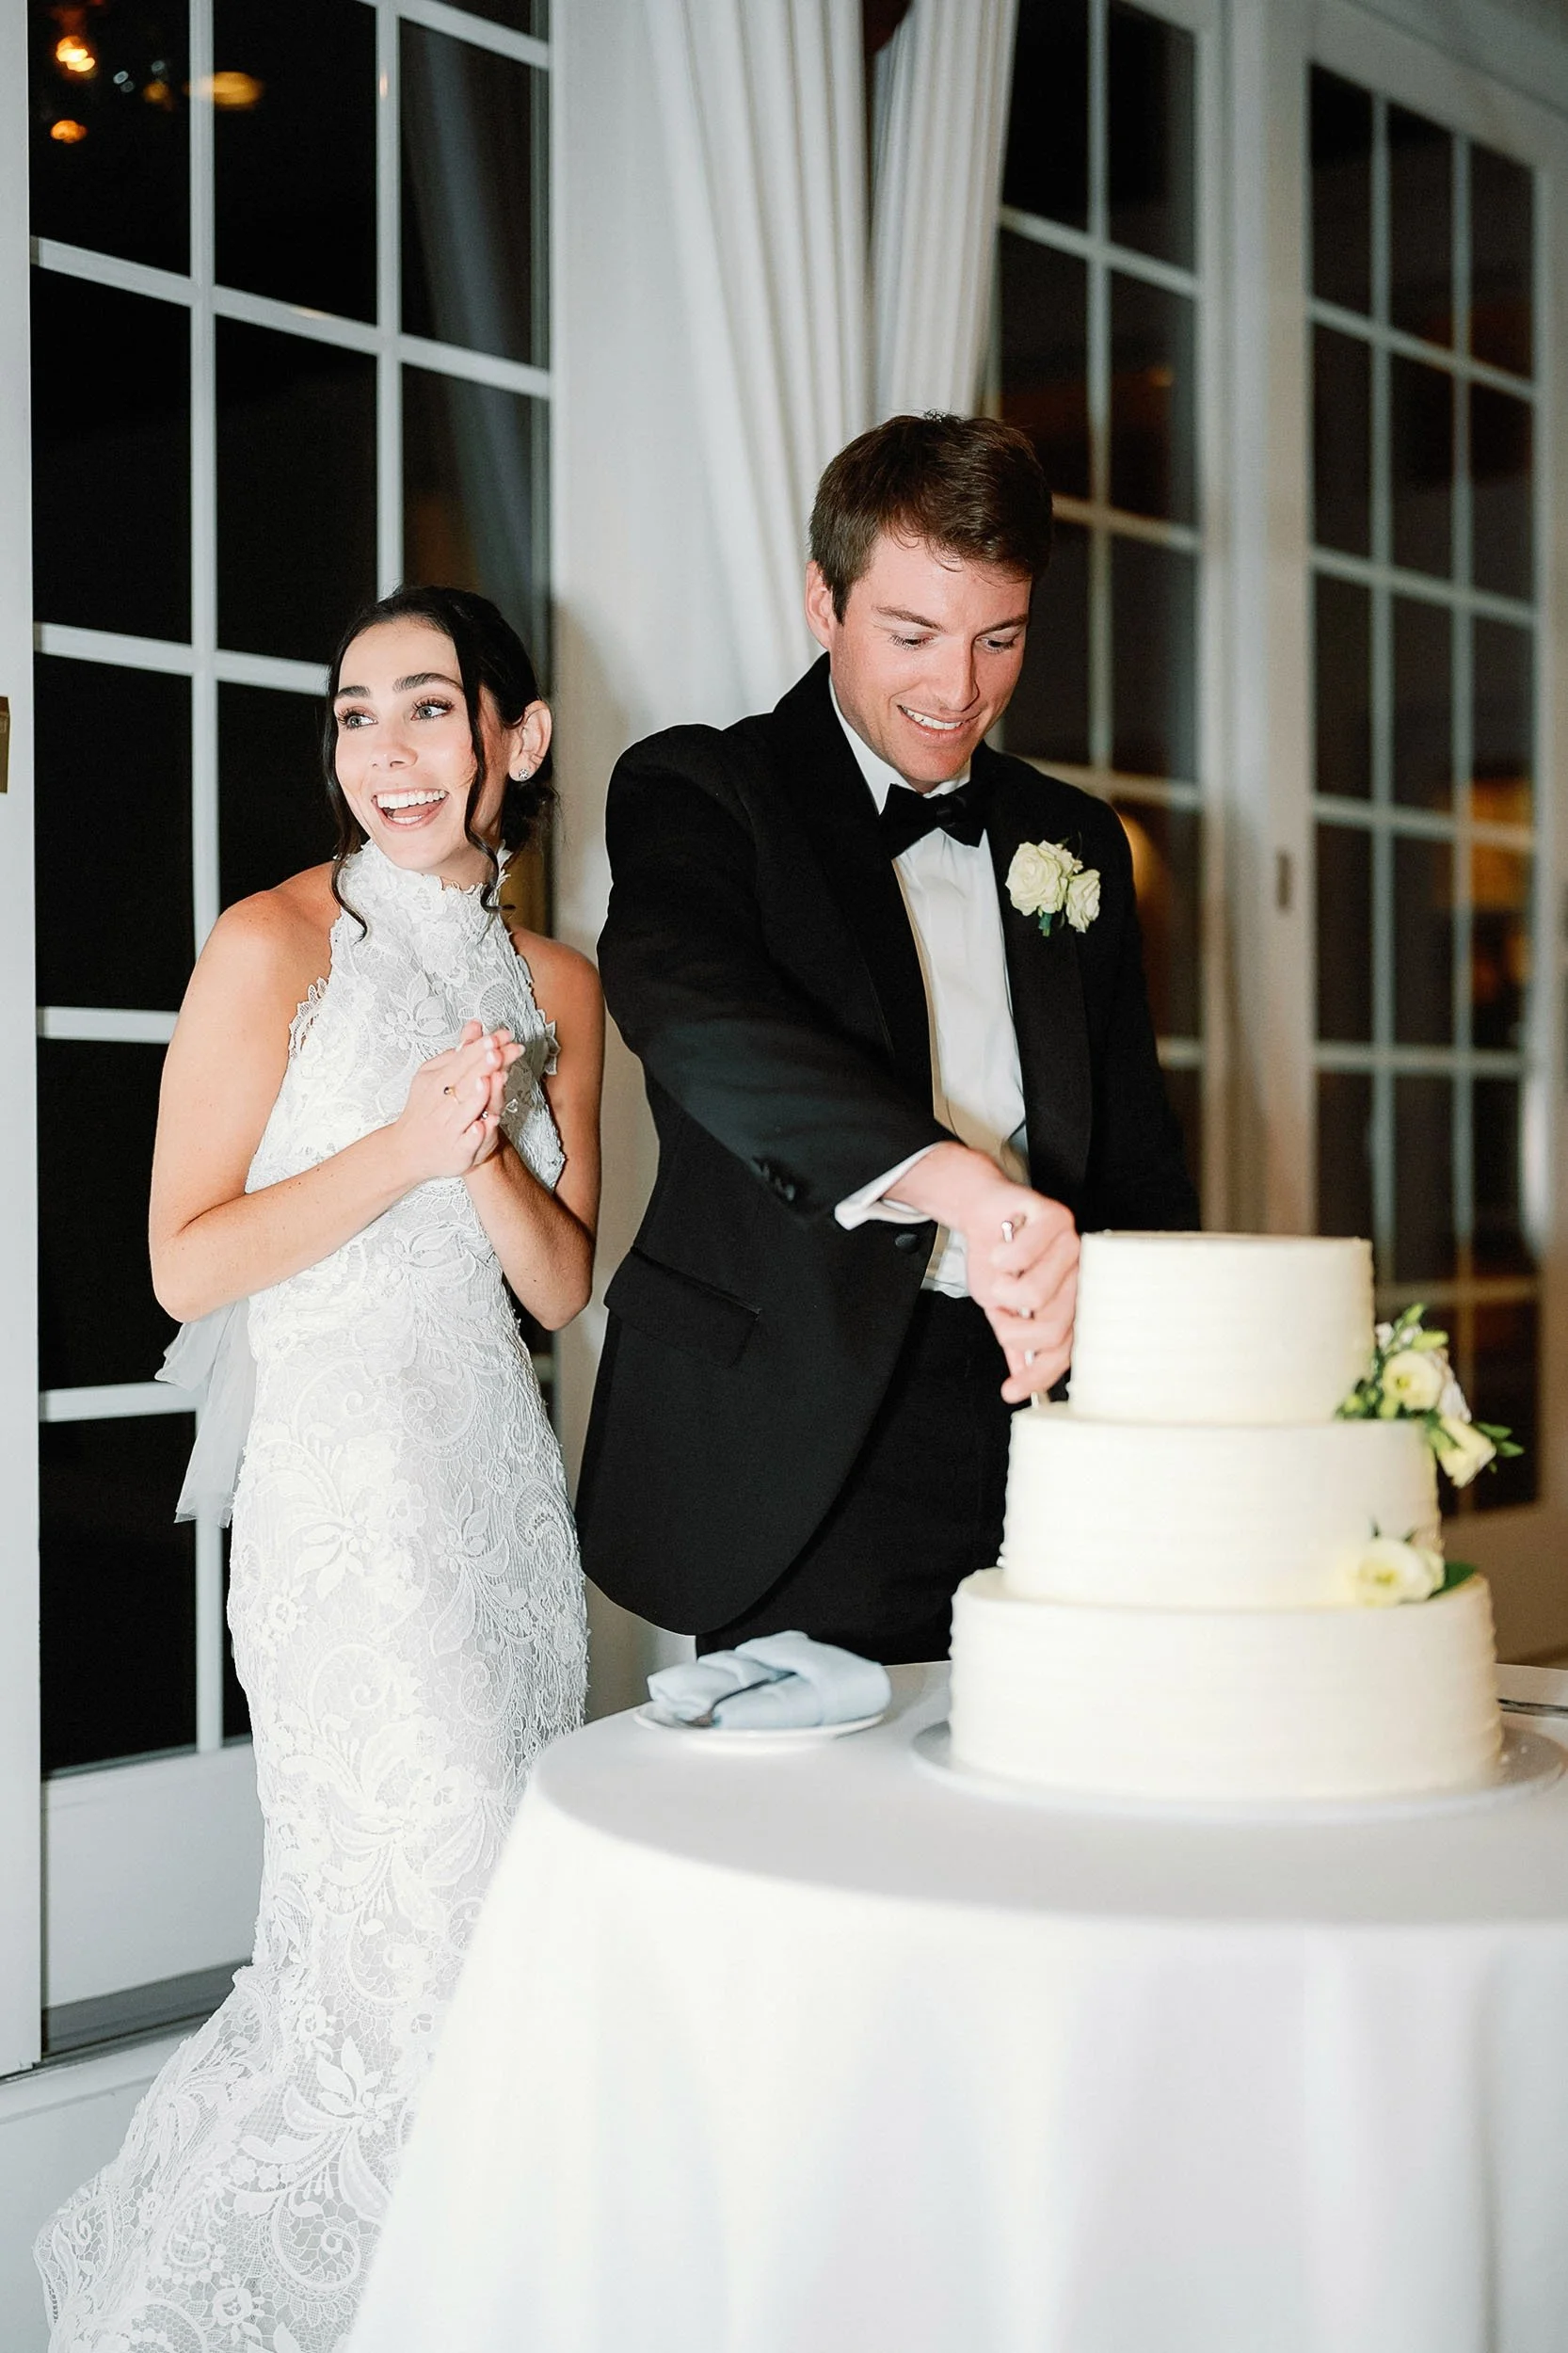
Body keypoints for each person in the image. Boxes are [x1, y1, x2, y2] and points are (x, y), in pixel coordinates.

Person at [37, 586, 602, 2351]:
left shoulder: (565, 984)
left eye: (430, 711)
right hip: (344, 1512)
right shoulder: (268, 945)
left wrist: (483, 1154)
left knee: (501, 1943)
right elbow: (181, 1265)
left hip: (499, 1506)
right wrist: (401, 1146)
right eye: (355, 717)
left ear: (517, 739)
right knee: (397, 1957)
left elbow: (565, 1280)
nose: (388, 755)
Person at [578, 413, 1196, 1664]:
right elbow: (693, 1018)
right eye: (911, 635)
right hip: (799, 1427)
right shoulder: (701, 791)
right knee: (808, 1838)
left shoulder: (1071, 841)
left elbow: (1130, 1149)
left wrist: (1167, 1395)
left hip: (1045, 1421)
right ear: (824, 600)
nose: (957, 688)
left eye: (999, 638)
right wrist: (954, 1184)